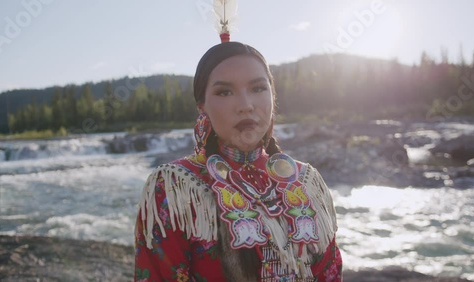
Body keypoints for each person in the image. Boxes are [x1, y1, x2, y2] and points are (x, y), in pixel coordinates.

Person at [133, 40, 343, 281]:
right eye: (224, 92)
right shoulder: (174, 186)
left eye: (258, 88)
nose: (246, 105)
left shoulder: (307, 181)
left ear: (273, 96)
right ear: (202, 106)